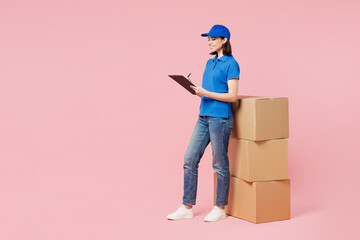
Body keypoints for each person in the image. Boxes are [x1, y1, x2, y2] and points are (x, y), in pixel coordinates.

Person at [167, 25, 240, 222]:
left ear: (224, 40)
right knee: (189, 159)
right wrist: (194, 88)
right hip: (204, 116)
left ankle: (220, 208)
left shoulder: (231, 64)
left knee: (219, 163)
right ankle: (186, 207)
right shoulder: (209, 62)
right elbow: (209, 89)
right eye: (208, 39)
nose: (209, 42)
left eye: (213, 39)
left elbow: (232, 96)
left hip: (220, 119)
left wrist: (205, 93)